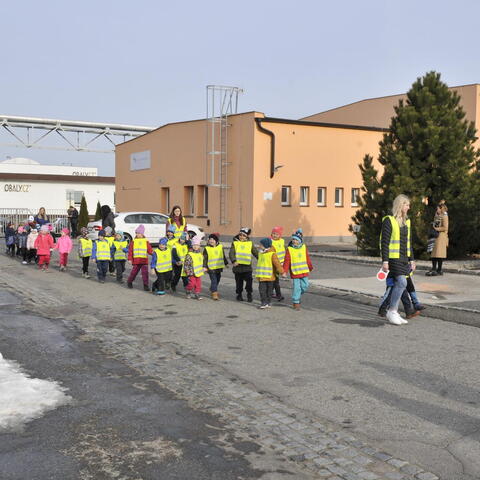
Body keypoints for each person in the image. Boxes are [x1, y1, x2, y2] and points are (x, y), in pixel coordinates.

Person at [380, 194, 415, 325]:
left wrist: (412, 259)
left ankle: (393, 311)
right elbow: (385, 242)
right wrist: (385, 261)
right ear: (400, 205)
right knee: (402, 282)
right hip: (393, 259)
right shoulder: (389, 220)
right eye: (406, 204)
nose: (408, 207)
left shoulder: (407, 221)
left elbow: (409, 242)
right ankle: (392, 310)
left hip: (404, 258)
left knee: (399, 284)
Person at [282, 228, 313, 310]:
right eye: (293, 240)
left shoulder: (304, 247)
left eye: (296, 240)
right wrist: (284, 271)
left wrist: (310, 266)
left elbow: (307, 258)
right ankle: (296, 302)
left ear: (300, 240)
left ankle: (297, 295)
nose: (294, 241)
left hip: (304, 271)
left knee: (305, 286)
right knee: (297, 288)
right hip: (295, 272)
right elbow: (287, 261)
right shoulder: (290, 249)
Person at [229, 227, 258, 302]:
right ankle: (239, 294)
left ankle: (249, 293)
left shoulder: (250, 243)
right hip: (237, 267)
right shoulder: (235, 243)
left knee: (249, 281)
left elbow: (255, 252)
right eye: (240, 235)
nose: (241, 237)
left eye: (243, 235)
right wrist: (233, 261)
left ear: (247, 236)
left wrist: (262, 259)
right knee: (239, 283)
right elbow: (231, 253)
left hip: (247, 267)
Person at [256, 237, 283, 309]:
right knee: (262, 290)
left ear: (265, 245)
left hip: (270, 277)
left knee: (269, 291)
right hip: (262, 277)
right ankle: (264, 302)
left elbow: (277, 263)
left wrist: (282, 272)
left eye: (261, 244)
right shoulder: (261, 253)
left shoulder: (272, 254)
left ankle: (268, 302)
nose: (259, 246)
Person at [127, 224, 153, 291]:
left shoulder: (146, 241)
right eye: (136, 233)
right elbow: (130, 251)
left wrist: (154, 254)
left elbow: (150, 250)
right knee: (133, 273)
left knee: (145, 274)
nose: (138, 234)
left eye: (139, 233)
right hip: (136, 261)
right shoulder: (133, 242)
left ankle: (146, 285)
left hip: (144, 261)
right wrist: (129, 259)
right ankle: (129, 282)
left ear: (142, 234)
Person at [426, 201, 449, 276]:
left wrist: (436, 229)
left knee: (439, 254)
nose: (436, 210)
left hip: (441, 236)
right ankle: (434, 269)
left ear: (441, 208)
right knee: (434, 253)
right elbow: (435, 223)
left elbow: (445, 227)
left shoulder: (445, 216)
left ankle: (439, 269)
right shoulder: (437, 215)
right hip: (435, 236)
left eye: (437, 209)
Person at [203, 233, 228, 300]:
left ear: (216, 241)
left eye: (213, 239)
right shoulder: (207, 248)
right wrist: (204, 266)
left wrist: (226, 263)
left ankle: (212, 288)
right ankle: (214, 293)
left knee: (218, 279)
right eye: (210, 239)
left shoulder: (220, 247)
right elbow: (205, 258)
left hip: (219, 268)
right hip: (211, 268)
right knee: (214, 280)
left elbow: (223, 256)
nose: (211, 241)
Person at [270, 226, 285, 301]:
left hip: (280, 264)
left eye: (276, 234)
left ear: (280, 235)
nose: (274, 235)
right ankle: (277, 294)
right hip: (272, 263)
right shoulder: (270, 241)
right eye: (273, 233)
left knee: (275, 279)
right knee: (275, 279)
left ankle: (272, 293)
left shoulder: (282, 241)